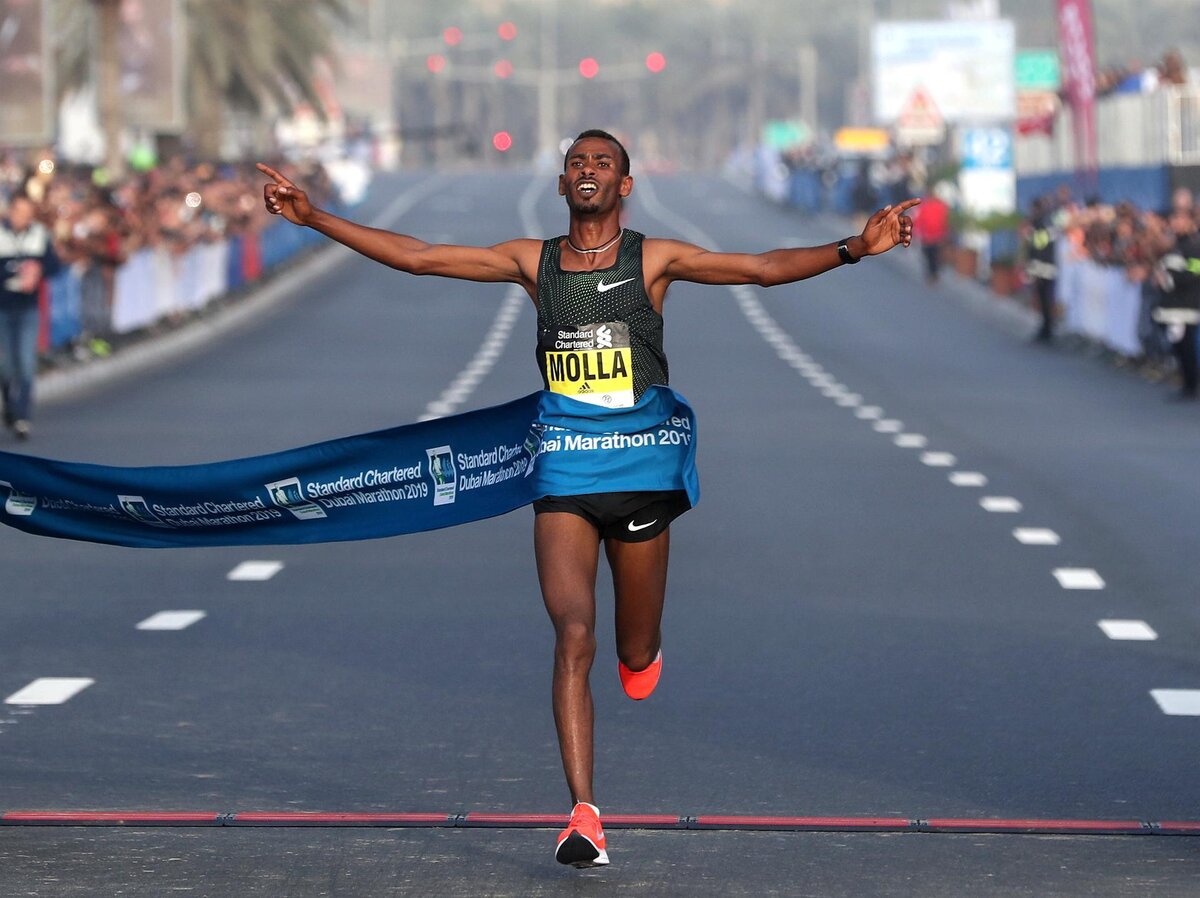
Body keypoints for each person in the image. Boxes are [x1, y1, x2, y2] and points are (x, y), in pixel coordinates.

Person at [257, 131, 917, 868]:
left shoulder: (654, 260)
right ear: (562, 183)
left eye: (603, 162)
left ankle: (645, 652)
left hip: (640, 470)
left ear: (625, 185)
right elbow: (419, 257)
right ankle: (584, 815)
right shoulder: (531, 263)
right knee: (573, 633)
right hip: (565, 468)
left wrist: (854, 249)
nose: (588, 170)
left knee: (633, 649)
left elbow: (760, 269)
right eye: (577, 162)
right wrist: (314, 217)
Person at [0, 192, 60, 439]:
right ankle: (9, 406)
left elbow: (54, 265)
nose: (23, 218)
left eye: (27, 214)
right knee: (4, 364)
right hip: (3, 306)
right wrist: (12, 272)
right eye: (19, 212)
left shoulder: (39, 235)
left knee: (25, 362)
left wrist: (38, 270)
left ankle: (23, 415)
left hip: (28, 308)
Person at [1152, 207, 1200, 400]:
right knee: (1178, 347)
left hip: (1184, 307)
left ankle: (1190, 386)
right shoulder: (1172, 245)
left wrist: (1167, 279)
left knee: (1186, 347)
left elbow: (1195, 272)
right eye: (1174, 220)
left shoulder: (1193, 247)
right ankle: (1186, 383)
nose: (1177, 224)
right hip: (1170, 307)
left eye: (1181, 220)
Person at [1022, 196, 1059, 343]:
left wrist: (1033, 270)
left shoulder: (1040, 223)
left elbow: (1039, 247)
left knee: (1045, 299)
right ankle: (1045, 327)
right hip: (1044, 266)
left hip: (1043, 267)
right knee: (1043, 299)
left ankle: (1047, 328)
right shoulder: (1045, 222)